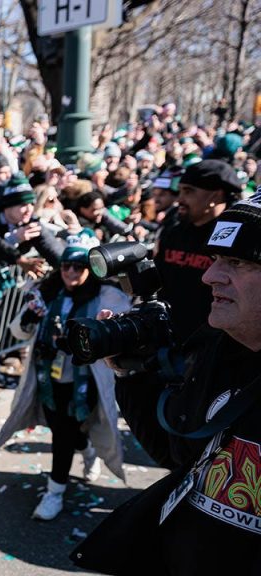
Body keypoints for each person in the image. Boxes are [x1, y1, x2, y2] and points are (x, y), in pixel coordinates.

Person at [73, 192, 261, 574]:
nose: (210, 276)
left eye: (237, 262)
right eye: (216, 259)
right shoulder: (222, 347)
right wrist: (131, 374)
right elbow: (175, 453)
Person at [0, 232, 131, 520]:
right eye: (66, 266)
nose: (70, 272)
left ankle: (54, 492)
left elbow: (120, 327)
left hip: (86, 379)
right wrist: (31, 316)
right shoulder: (47, 291)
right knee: (64, 432)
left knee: (67, 432)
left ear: (89, 269)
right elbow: (18, 330)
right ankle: (87, 449)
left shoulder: (105, 295)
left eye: (78, 267)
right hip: (49, 377)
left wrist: (80, 339)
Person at [155, 159, 242, 346]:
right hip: (169, 342)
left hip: (215, 346)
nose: (179, 200)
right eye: (180, 191)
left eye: (189, 192)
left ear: (215, 196)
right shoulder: (174, 231)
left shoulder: (236, 241)